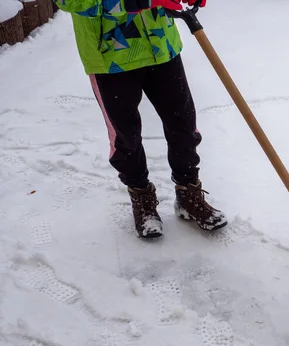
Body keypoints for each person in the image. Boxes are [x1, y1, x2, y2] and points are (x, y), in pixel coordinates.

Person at [53, 0, 227, 238]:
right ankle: (141, 195)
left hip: (161, 44)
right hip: (109, 57)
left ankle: (188, 193)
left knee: (183, 124)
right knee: (125, 135)